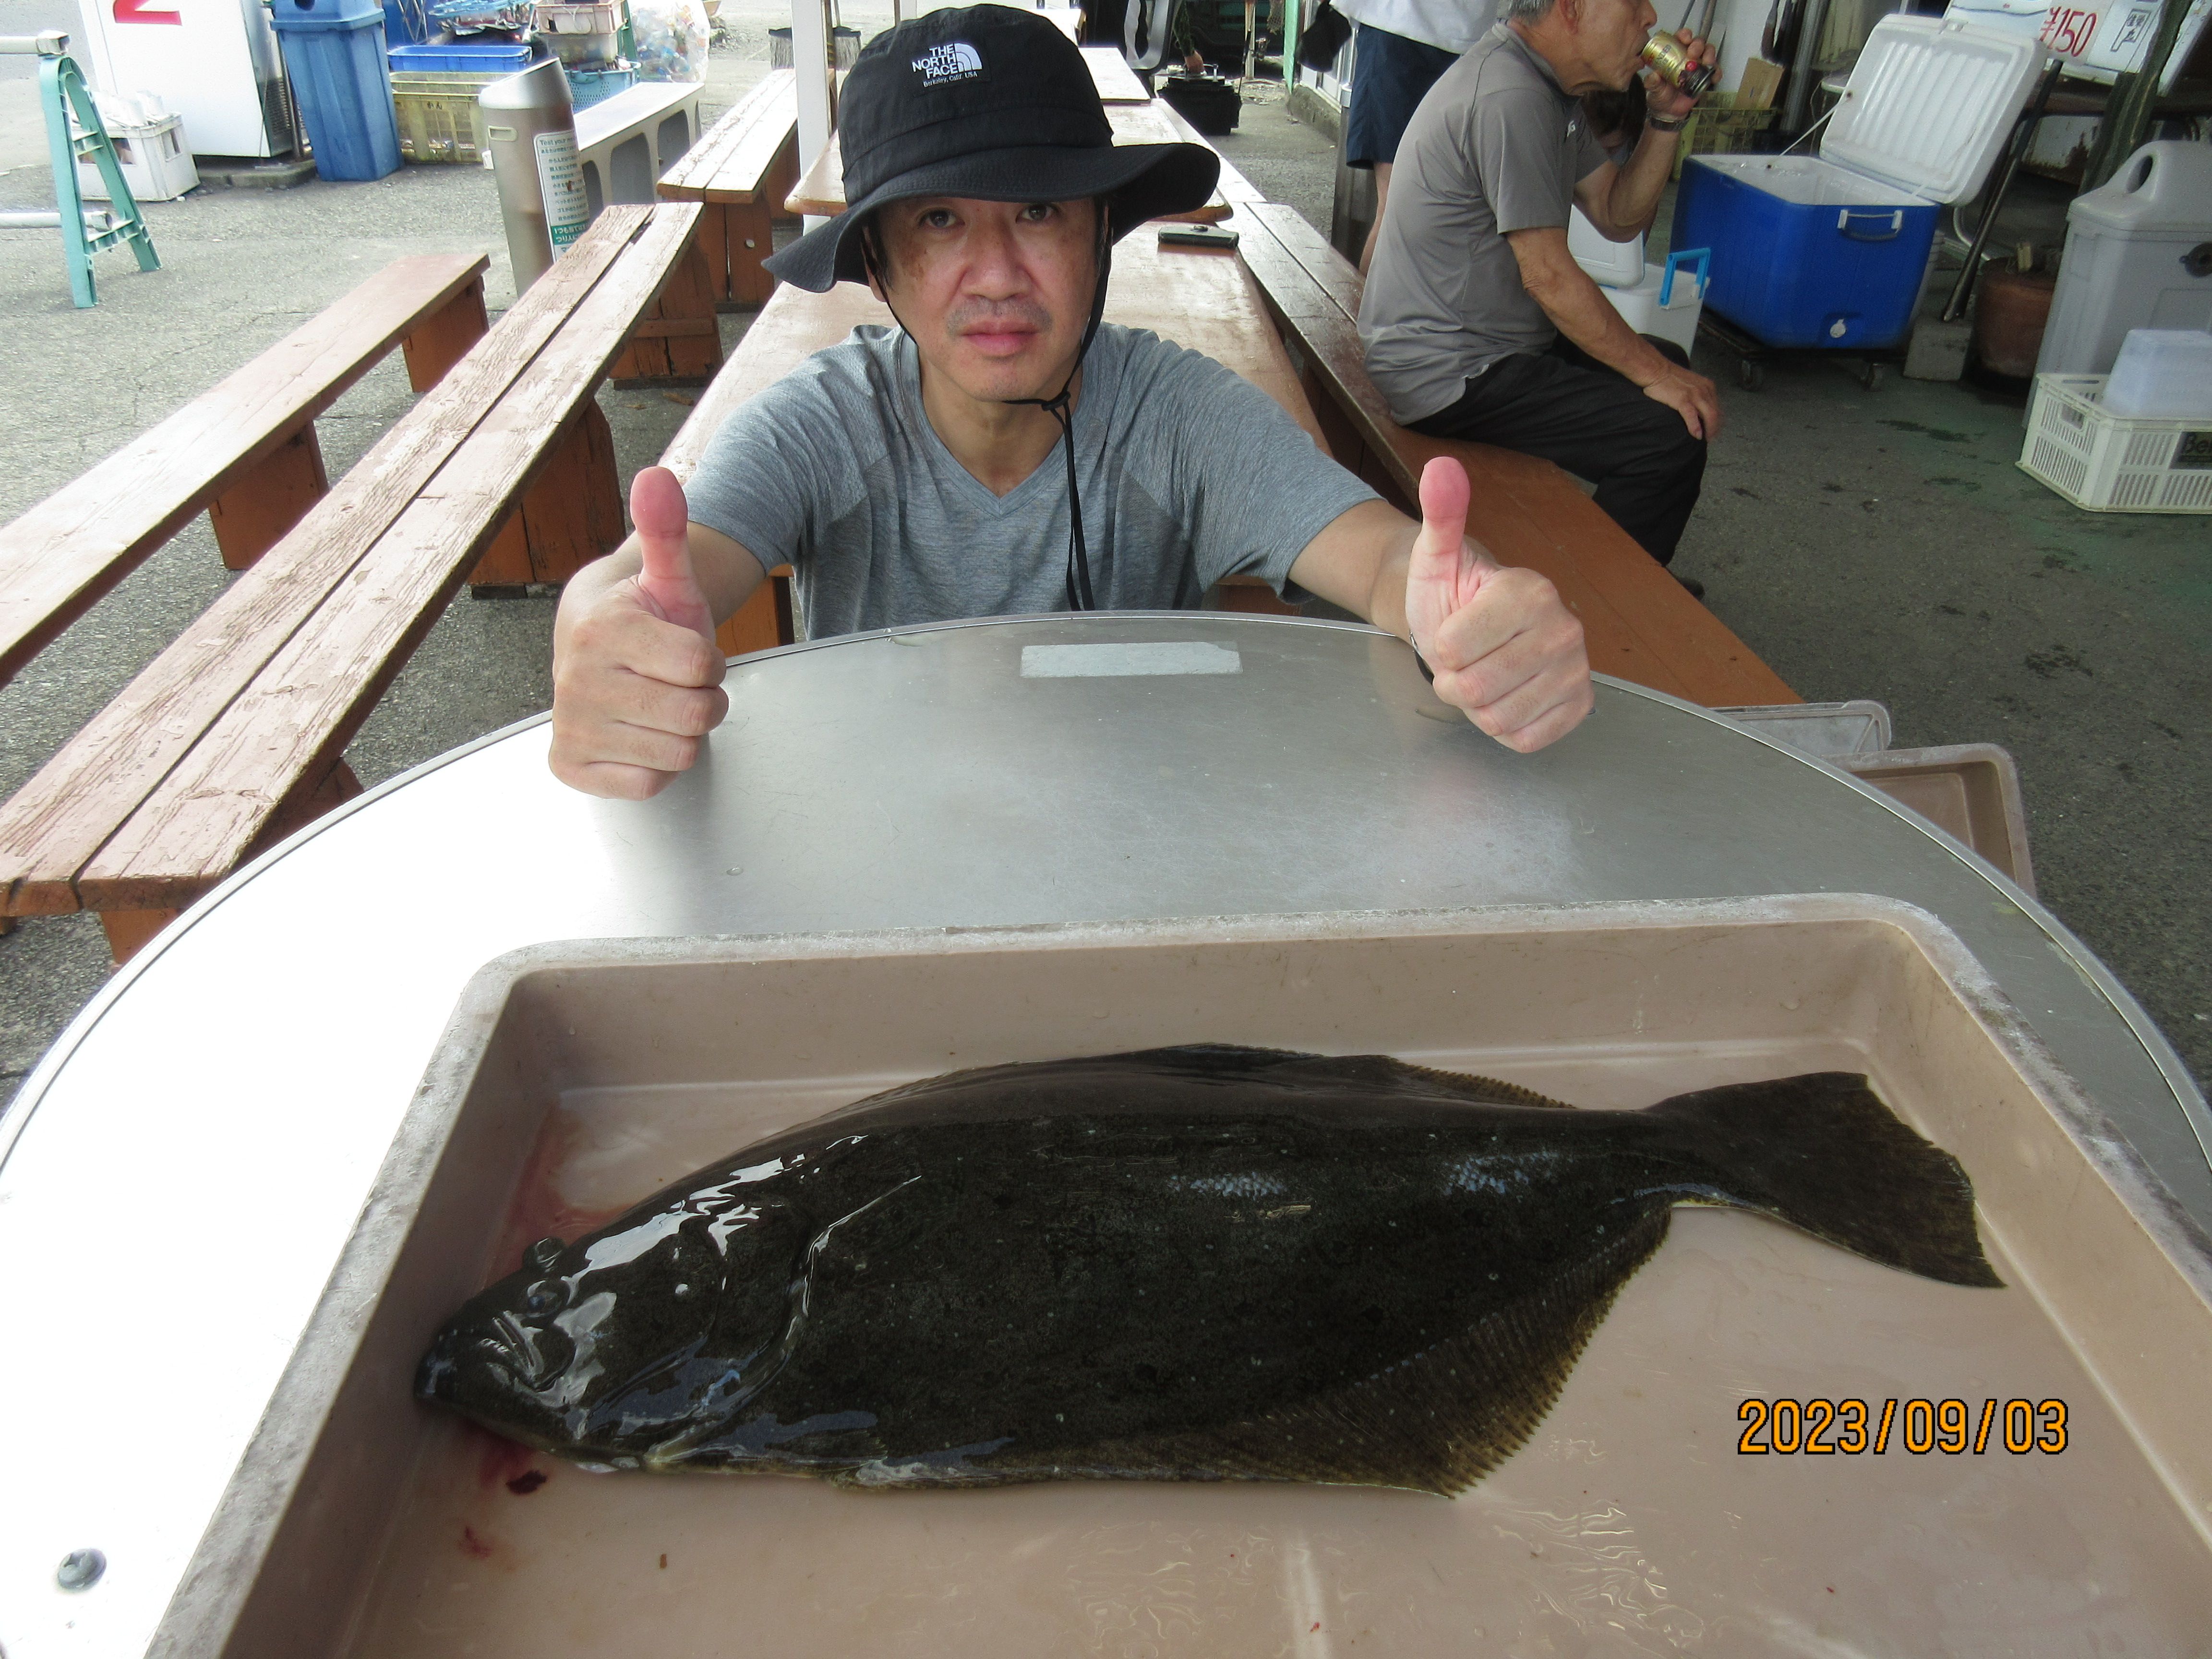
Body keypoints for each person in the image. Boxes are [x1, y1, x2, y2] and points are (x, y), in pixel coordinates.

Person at [550, 5, 1591, 801]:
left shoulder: (1174, 414)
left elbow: (1385, 560)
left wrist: (1469, 615)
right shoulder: (825, 424)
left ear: (1101, 233)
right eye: (940, 221)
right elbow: (664, 571)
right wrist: (602, 630)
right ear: (877, 264)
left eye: (1040, 210)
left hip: (1140, 847)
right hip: (886, 849)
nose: (997, 275)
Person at [1357, 0, 1722, 572]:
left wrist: (1665, 120)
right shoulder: (1511, 96)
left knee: (1669, 366)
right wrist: (1656, 376)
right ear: (1573, 8)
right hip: (1446, 369)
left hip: (1489, 345)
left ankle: (1627, 576)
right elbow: (1548, 277)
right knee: (1667, 433)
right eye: (1633, 3)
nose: (1650, 17)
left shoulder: (1547, 87)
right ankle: (1600, 605)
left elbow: (1617, 215)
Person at [1336, 0, 1498, 272]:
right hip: (1398, 26)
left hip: (1471, 41)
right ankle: (1363, 301)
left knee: (1447, 218)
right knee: (1397, 212)